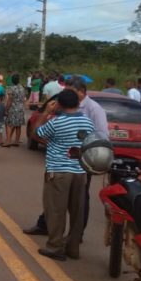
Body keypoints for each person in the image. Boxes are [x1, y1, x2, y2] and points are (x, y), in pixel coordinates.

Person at [23, 78, 109, 236]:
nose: (66, 94)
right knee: (56, 201)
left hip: (78, 164)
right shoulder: (72, 111)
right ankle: (48, 227)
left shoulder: (94, 110)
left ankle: (64, 240)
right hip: (72, 166)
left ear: (81, 92)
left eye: (69, 91)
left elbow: (102, 137)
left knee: (71, 204)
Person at [30, 89, 94, 261]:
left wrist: (45, 113)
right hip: (80, 172)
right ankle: (73, 247)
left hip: (58, 171)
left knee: (56, 210)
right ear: (78, 103)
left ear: (59, 104)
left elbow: (35, 134)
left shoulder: (56, 122)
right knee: (77, 211)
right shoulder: (87, 122)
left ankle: (55, 247)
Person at [3, 74, 27, 147]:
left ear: (12, 80)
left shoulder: (11, 88)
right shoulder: (22, 88)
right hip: (20, 108)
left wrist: (6, 109)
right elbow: (24, 99)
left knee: (8, 124)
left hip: (13, 108)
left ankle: (8, 141)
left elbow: (10, 100)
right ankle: (16, 141)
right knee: (18, 126)